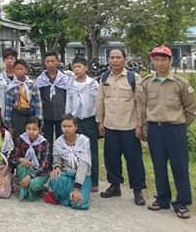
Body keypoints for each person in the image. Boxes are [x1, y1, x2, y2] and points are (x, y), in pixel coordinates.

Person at [137, 45, 196, 220]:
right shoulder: (147, 83)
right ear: (152, 61)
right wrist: (141, 126)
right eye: (156, 59)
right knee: (159, 166)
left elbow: (192, 108)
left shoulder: (180, 83)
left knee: (180, 167)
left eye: (163, 59)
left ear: (170, 61)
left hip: (175, 130)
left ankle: (182, 202)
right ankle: (162, 199)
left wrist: (181, 124)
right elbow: (142, 107)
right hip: (155, 130)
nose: (160, 63)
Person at [97, 48, 146, 206]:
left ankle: (138, 190)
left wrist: (140, 125)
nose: (115, 60)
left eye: (118, 57)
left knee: (134, 160)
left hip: (129, 126)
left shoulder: (133, 77)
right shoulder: (104, 77)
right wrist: (100, 121)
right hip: (110, 125)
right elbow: (100, 100)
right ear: (108, 60)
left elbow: (140, 103)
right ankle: (114, 185)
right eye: (112, 57)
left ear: (124, 59)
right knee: (111, 158)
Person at [66, 56, 100, 192]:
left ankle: (94, 181)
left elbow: (97, 102)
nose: (77, 70)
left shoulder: (93, 84)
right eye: (74, 67)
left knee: (91, 150)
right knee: (74, 149)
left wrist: (98, 120)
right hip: (75, 120)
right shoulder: (71, 84)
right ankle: (77, 178)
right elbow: (68, 102)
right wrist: (67, 119)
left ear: (86, 68)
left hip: (89, 119)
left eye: (79, 67)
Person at [46, 114, 92, 210]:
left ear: (76, 127)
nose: (67, 129)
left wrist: (77, 188)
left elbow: (83, 165)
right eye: (64, 126)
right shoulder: (58, 142)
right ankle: (68, 196)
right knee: (55, 178)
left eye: (70, 126)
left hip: (82, 177)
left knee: (79, 204)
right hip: (67, 174)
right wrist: (57, 168)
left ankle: (67, 197)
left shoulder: (84, 141)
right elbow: (57, 160)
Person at [35, 52, 69, 158]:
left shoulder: (64, 79)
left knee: (62, 140)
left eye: (53, 61)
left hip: (61, 115)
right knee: (47, 141)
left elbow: (68, 97)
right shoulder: (40, 80)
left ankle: (61, 162)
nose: (50, 64)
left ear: (58, 62)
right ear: (44, 63)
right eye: (48, 61)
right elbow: (37, 99)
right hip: (46, 115)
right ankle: (47, 163)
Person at [11, 116, 50, 201]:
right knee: (21, 167)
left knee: (33, 185)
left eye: (34, 129)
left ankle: (33, 188)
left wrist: (30, 176)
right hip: (25, 170)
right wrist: (20, 159)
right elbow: (12, 157)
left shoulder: (44, 142)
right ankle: (28, 190)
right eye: (28, 129)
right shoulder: (21, 139)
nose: (31, 132)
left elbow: (44, 166)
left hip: (39, 173)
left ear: (40, 129)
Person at [3, 59, 42, 138]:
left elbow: (38, 104)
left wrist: (39, 120)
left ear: (26, 70)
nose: (19, 71)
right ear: (14, 71)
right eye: (17, 69)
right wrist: (9, 125)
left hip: (31, 115)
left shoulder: (32, 85)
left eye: (21, 69)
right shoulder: (11, 87)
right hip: (17, 116)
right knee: (18, 138)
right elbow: (8, 107)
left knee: (31, 137)